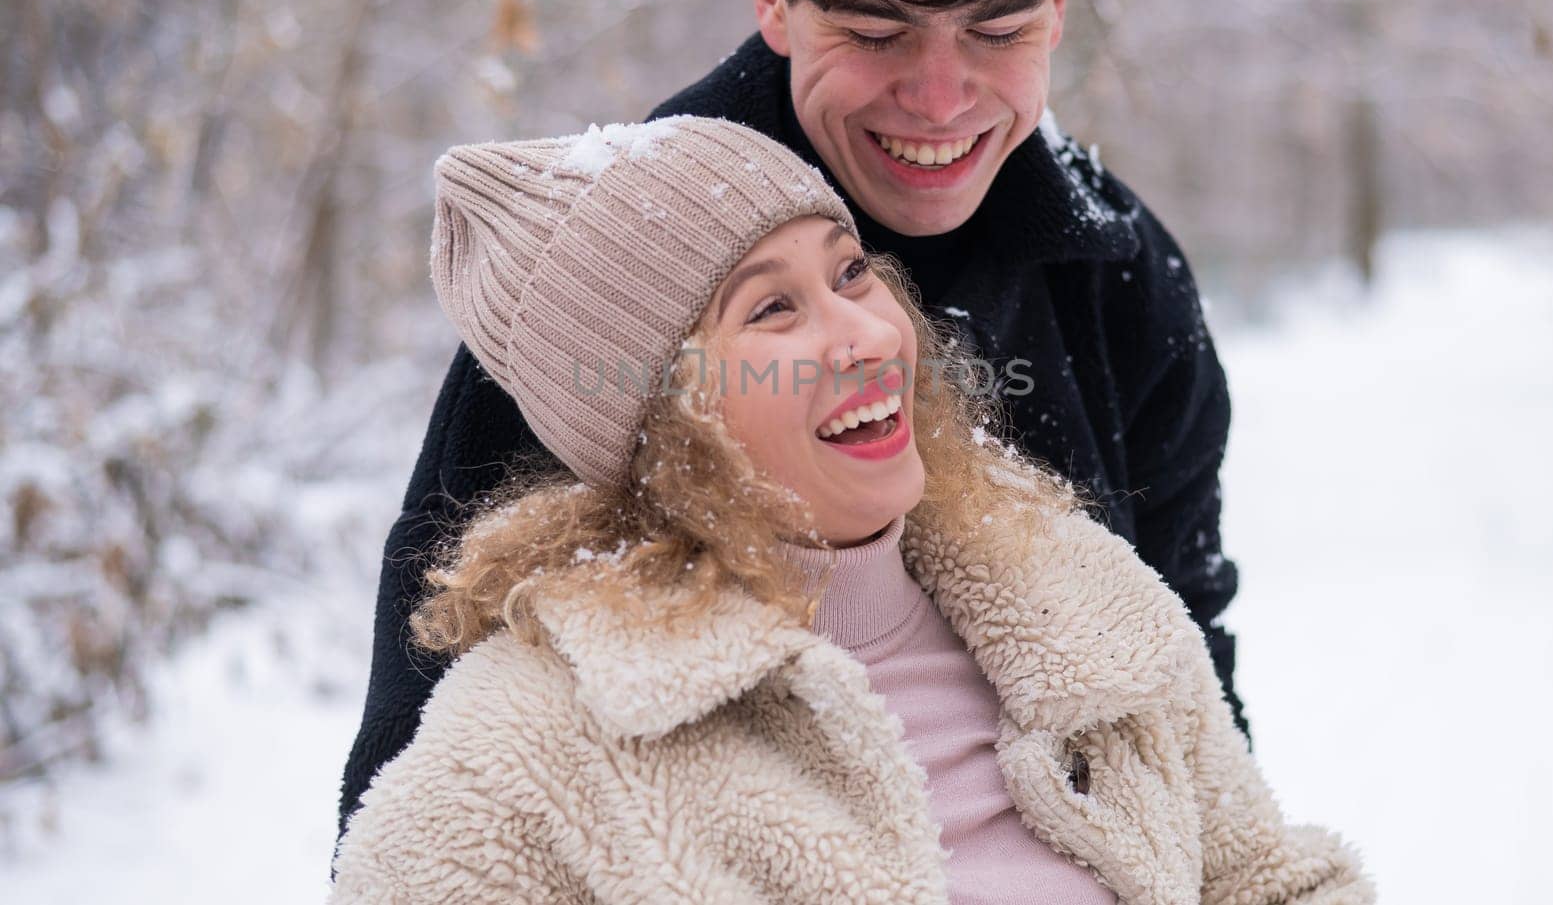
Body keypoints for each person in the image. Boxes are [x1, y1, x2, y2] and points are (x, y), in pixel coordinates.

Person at [339, 0, 1244, 842]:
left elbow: (1189, 679)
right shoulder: (617, 283)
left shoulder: (1112, 276)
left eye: (998, 28)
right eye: (875, 30)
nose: (941, 99)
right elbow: (421, 787)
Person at [330, 118, 1369, 904]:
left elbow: (1268, 884)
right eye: (772, 308)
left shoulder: (1076, 595)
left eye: (851, 272)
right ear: (662, 419)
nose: (865, 336)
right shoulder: (532, 750)